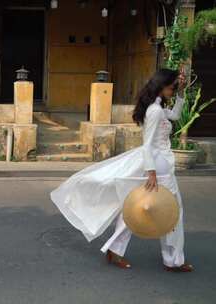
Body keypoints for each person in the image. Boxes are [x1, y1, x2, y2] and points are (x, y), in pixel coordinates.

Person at [49, 68, 193, 272]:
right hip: (156, 168)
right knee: (170, 211)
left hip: (158, 165)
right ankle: (172, 260)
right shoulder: (155, 110)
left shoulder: (157, 106)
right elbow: (147, 145)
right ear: (161, 86)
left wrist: (180, 93)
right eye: (172, 87)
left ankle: (120, 252)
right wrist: (151, 171)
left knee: (139, 207)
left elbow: (176, 115)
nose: (173, 89)